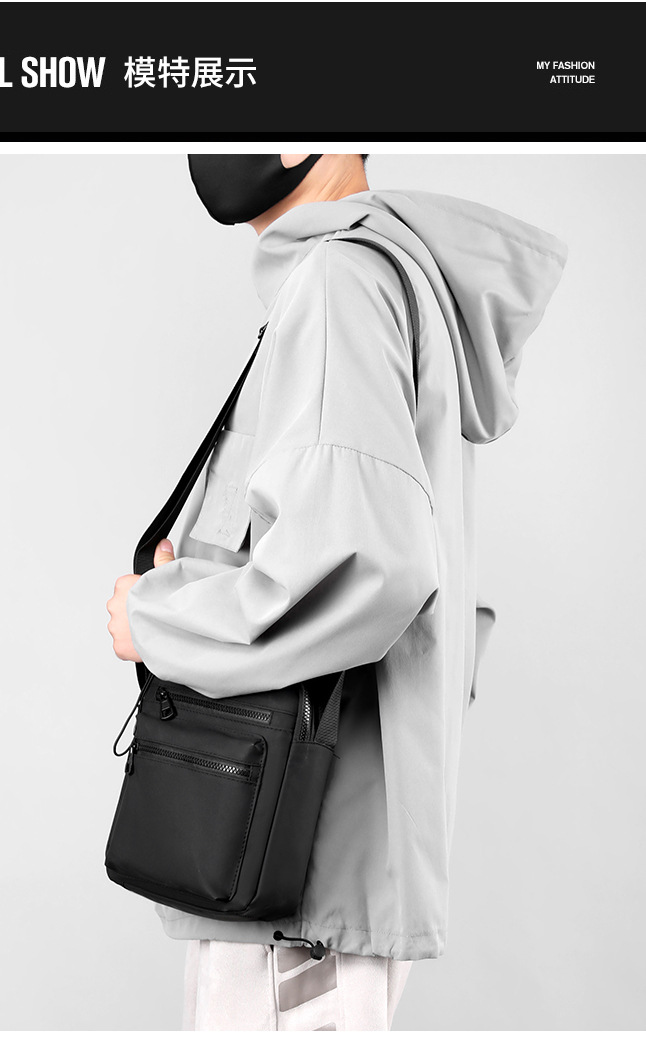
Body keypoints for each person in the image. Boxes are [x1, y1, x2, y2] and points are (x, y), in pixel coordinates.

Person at [106, 154, 567, 1030]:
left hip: (295, 864)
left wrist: (156, 618)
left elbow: (362, 566)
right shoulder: (382, 282)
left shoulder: (338, 282)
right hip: (324, 846)